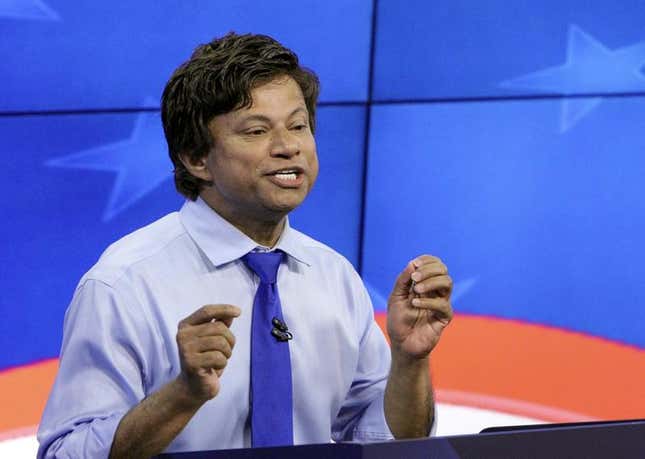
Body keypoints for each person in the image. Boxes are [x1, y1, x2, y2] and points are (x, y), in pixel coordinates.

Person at [37, 32, 453, 458]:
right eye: (256, 131)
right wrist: (183, 394)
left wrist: (409, 361)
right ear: (196, 158)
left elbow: (388, 443)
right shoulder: (123, 284)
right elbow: (66, 453)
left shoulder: (333, 275)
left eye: (299, 126)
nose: (288, 146)